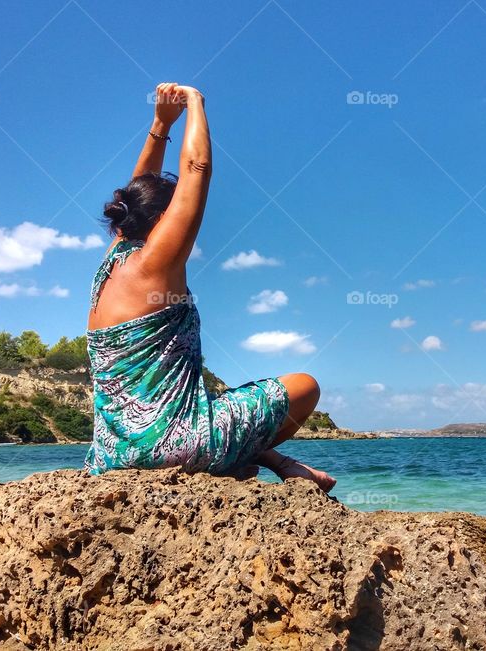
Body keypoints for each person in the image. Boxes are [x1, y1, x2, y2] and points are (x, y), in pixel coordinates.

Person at [84, 82, 335, 492]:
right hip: (175, 446)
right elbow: (195, 170)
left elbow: (137, 189)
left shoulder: (111, 266)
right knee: (305, 385)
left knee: (216, 405)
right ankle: (248, 458)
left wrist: (161, 124)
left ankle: (277, 460)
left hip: (112, 456)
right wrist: (196, 102)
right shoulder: (156, 262)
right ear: (164, 222)